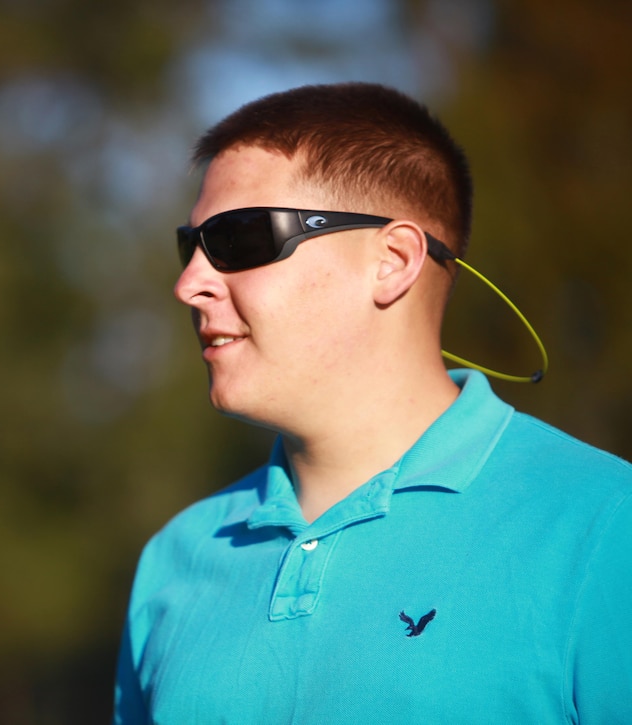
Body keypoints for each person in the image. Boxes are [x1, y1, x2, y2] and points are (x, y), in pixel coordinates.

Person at [113, 82, 632, 723]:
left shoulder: (606, 530)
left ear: (393, 260)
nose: (189, 283)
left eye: (239, 238)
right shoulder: (175, 559)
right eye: (189, 246)